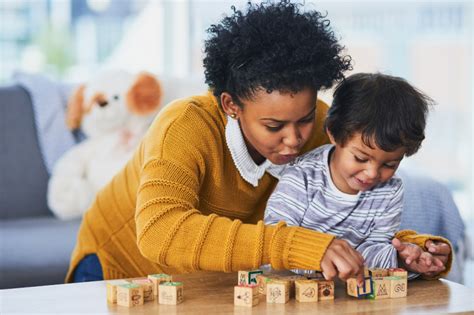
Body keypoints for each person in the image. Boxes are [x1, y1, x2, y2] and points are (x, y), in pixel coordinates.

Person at [67, 1, 451, 284]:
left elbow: (354, 210)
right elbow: (160, 233)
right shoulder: (184, 126)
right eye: (273, 126)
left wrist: (409, 247)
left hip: (207, 278)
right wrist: (294, 244)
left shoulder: (323, 127)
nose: (295, 139)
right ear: (231, 105)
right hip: (118, 266)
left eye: (304, 119)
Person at [264, 73, 449, 278]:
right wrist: (317, 255)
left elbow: (372, 251)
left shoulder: (390, 190)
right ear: (334, 133)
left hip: (347, 294)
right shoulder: (302, 177)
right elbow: (276, 241)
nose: (372, 174)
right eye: (361, 158)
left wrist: (401, 260)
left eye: (390, 164)